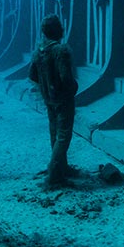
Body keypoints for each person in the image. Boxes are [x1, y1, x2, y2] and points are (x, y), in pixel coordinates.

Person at [28, 15, 78, 189]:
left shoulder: (39, 50)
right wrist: (73, 88)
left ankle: (62, 167)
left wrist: (45, 87)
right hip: (63, 99)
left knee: (54, 133)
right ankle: (54, 175)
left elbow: (32, 75)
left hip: (49, 99)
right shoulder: (60, 50)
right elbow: (66, 78)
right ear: (59, 30)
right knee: (64, 136)